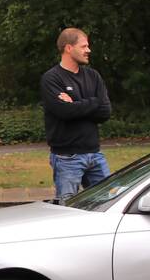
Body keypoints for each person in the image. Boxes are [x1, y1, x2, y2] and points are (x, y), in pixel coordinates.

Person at [40, 27, 112, 202]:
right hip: (67, 157)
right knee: (67, 208)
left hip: (95, 153)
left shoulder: (93, 76)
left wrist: (76, 103)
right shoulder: (52, 79)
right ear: (68, 48)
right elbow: (64, 112)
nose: (89, 50)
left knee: (109, 202)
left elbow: (105, 111)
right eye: (84, 46)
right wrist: (94, 101)